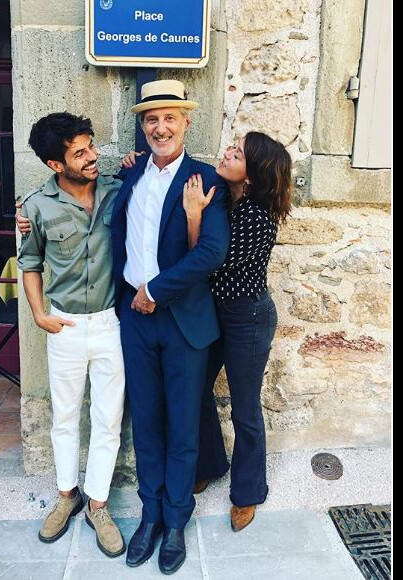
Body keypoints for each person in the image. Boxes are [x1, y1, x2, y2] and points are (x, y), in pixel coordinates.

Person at [122, 131, 292, 533]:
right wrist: (132, 163)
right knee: (196, 391)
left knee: (245, 406)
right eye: (231, 146)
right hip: (211, 313)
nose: (227, 152)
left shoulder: (255, 213)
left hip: (246, 317)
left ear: (253, 173)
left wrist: (195, 215)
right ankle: (211, 464)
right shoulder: (226, 197)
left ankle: (247, 491)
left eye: (238, 153)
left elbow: (210, 260)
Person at [112, 79, 230, 575]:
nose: (160, 127)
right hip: (134, 323)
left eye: (169, 118)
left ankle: (177, 519)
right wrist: (29, 217)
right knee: (147, 422)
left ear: (186, 122)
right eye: (151, 119)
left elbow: (211, 251)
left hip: (181, 322)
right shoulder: (132, 173)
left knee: (183, 425)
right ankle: (150, 515)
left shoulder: (205, 180)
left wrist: (155, 290)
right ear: (142, 127)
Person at [17, 112, 126, 558]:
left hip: (111, 324)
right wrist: (40, 313)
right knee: (65, 419)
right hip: (63, 326)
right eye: (79, 152)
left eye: (91, 146)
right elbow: (30, 263)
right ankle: (67, 496)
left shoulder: (119, 191)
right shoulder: (37, 206)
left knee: (108, 419)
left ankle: (98, 504)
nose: (92, 157)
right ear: (54, 164)